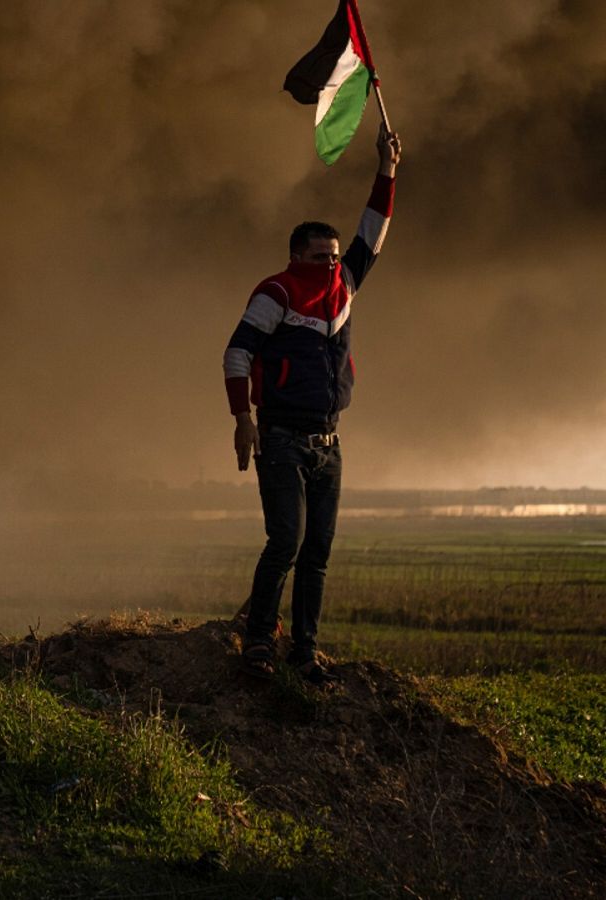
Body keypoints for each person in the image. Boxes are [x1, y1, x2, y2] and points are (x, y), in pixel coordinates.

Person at [222, 122, 402, 684]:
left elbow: (371, 233)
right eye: (319, 255)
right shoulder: (276, 292)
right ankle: (257, 641)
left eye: (331, 255)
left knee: (318, 553)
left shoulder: (343, 287)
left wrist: (387, 170)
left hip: (329, 443)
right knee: (286, 542)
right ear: (295, 254)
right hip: (280, 439)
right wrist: (243, 421)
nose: (329, 262)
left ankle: (304, 650)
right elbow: (236, 353)